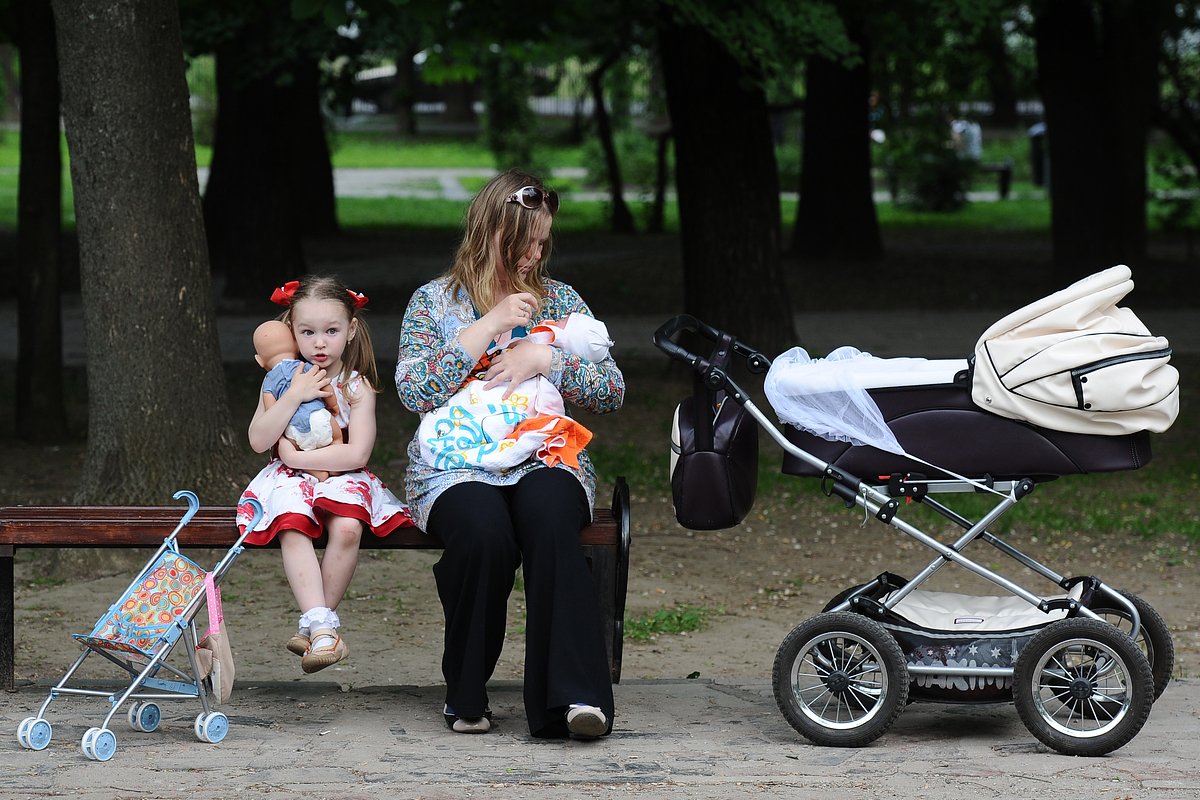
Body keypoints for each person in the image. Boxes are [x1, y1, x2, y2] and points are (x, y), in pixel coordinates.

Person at [395, 169, 625, 739]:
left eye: (544, 243)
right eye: (527, 243)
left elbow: (613, 389)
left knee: (550, 518)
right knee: (482, 534)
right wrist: (491, 324)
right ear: (492, 234)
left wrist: (547, 362)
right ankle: (467, 694)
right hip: (455, 465)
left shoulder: (562, 300)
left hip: (544, 454)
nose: (535, 254)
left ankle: (573, 701)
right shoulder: (434, 301)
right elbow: (414, 390)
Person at [237, 276, 413, 675]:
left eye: (331, 331)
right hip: (290, 480)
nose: (319, 343)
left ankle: (317, 625)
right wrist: (295, 396)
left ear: (350, 331)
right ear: (291, 332)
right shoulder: (282, 381)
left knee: (349, 525)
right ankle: (323, 629)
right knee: (292, 524)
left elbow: (357, 452)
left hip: (341, 473)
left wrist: (297, 459)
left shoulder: (356, 387)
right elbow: (258, 438)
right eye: (308, 332)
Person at [253, 319, 344, 482]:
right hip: (320, 418)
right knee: (336, 437)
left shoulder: (269, 381)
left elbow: (271, 411)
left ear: (259, 360)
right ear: (296, 345)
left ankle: (316, 472)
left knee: (298, 450)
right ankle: (335, 464)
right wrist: (334, 405)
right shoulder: (305, 367)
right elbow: (326, 387)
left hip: (296, 432)